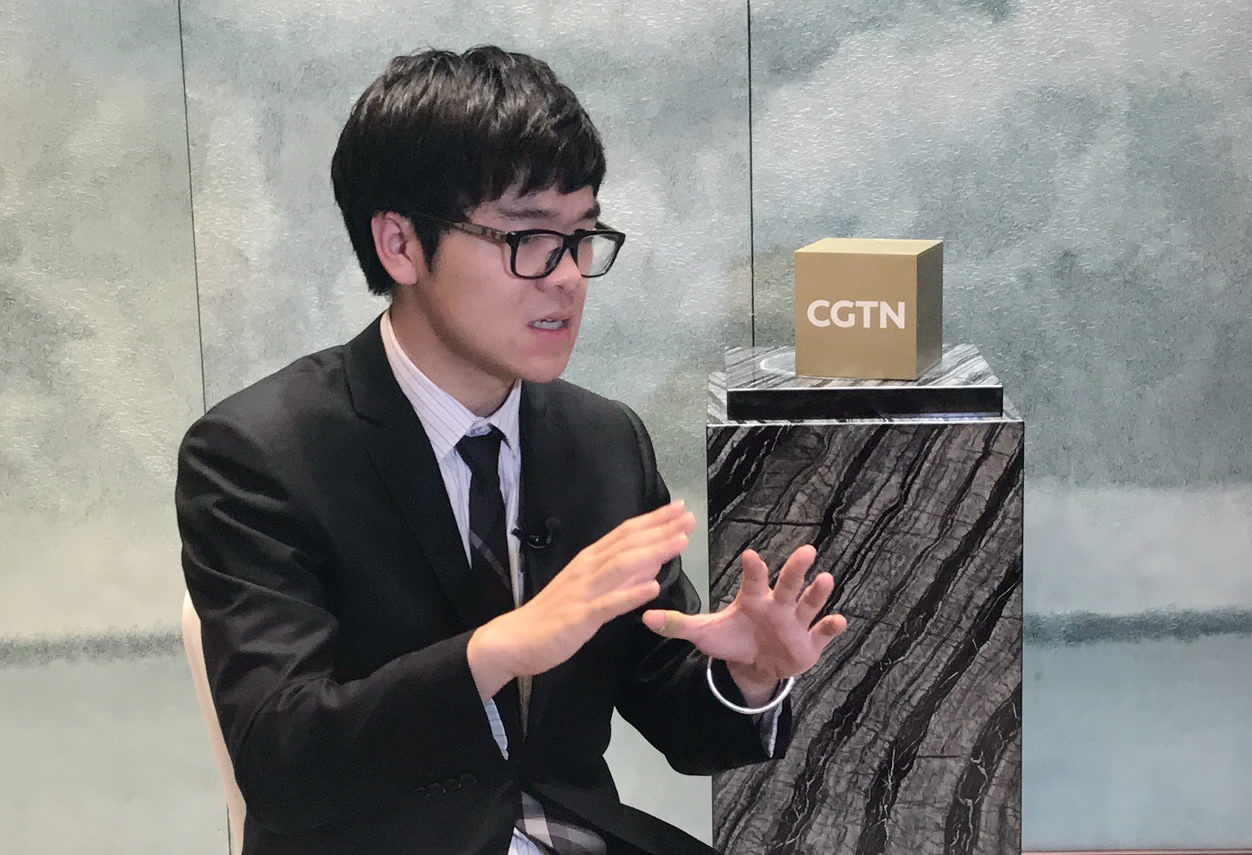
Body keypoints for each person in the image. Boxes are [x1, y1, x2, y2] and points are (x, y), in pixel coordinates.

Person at [175, 45, 847, 855]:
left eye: (582, 236)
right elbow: (284, 762)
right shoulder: (259, 454)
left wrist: (750, 673)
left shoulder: (601, 440)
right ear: (399, 245)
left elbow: (677, 716)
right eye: (529, 236)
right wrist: (494, 651)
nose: (566, 277)